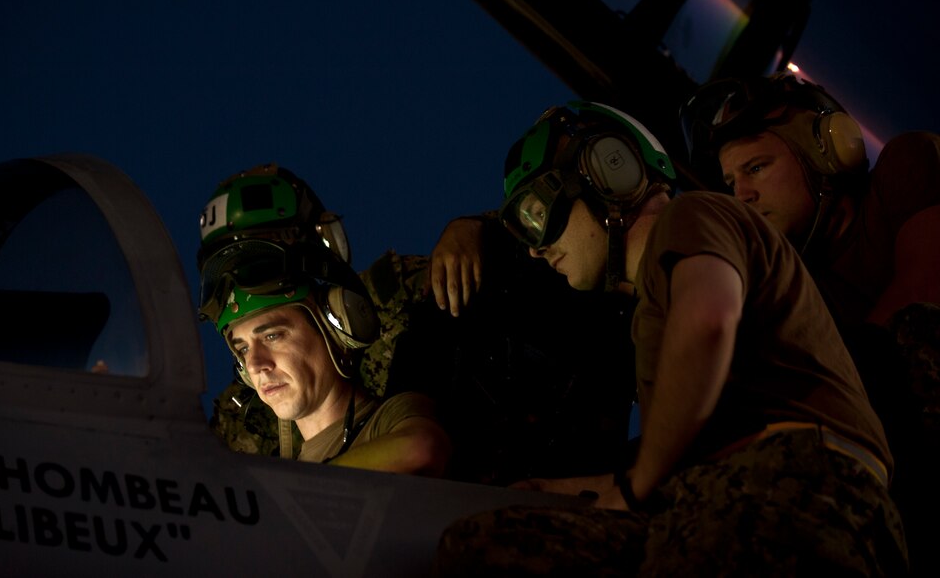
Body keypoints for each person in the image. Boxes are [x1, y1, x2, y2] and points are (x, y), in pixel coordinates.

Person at [435, 101, 907, 575]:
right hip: (735, 490)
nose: (537, 248)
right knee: (492, 542)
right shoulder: (651, 309)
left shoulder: (692, 216)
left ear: (610, 173)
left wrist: (633, 487)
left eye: (540, 212)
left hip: (796, 484)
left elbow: (708, 322)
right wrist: (566, 490)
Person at [680, 71, 940, 572]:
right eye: (732, 183)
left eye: (757, 168)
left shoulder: (908, 165)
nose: (742, 195)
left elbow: (925, 296)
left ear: (828, 150)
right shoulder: (793, 288)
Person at [196, 163, 450, 475]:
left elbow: (421, 447)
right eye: (243, 349)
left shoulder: (386, 418)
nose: (255, 365)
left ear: (335, 325)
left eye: (273, 335)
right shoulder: (256, 446)